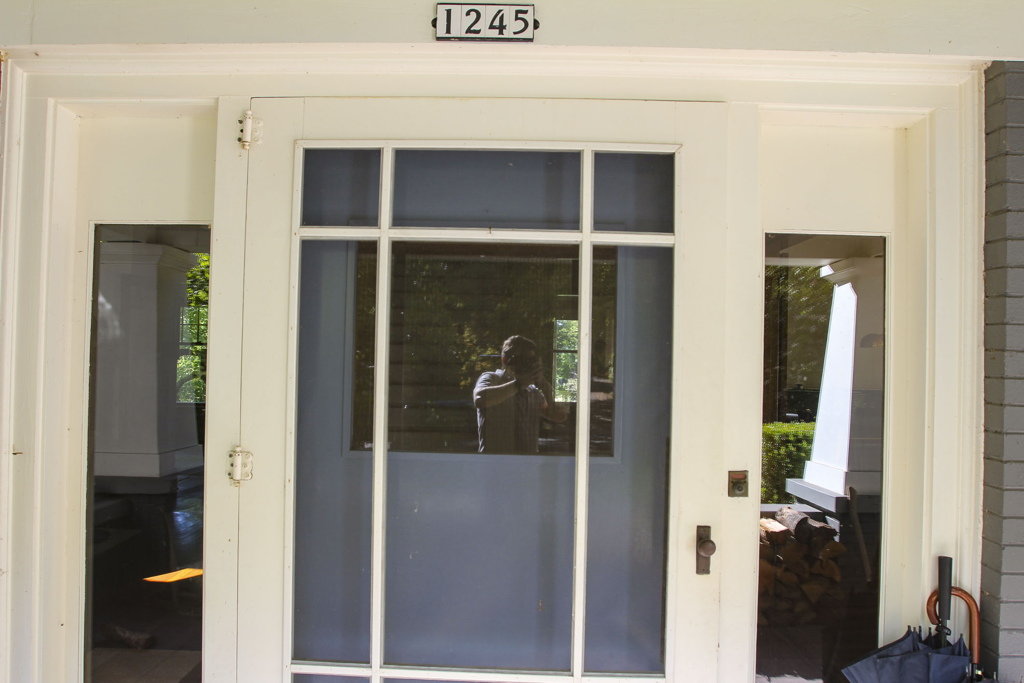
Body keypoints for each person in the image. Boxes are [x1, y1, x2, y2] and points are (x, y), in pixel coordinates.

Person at [473, 335, 566, 453]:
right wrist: (519, 384)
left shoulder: (533, 391)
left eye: (531, 360)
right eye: (522, 359)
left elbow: (559, 415)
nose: (526, 364)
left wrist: (543, 383)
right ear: (506, 360)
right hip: (495, 462)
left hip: (527, 462)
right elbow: (480, 399)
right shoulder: (492, 378)